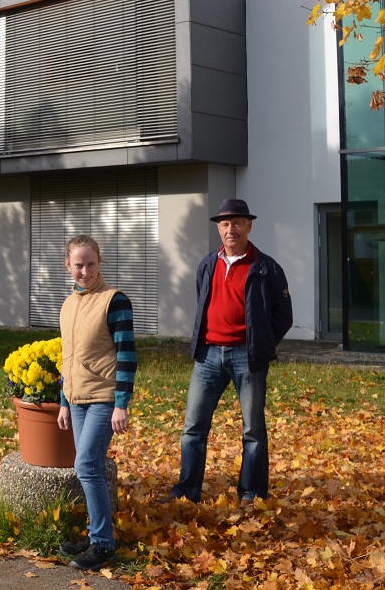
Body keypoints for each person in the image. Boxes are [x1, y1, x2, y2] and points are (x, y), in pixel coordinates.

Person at [161, 198, 292, 505]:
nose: (230, 229)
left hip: (247, 356)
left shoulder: (266, 268)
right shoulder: (208, 264)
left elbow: (283, 316)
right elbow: (202, 301)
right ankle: (187, 491)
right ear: (218, 229)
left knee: (253, 430)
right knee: (193, 428)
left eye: (236, 223)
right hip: (208, 356)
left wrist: (262, 344)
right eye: (224, 224)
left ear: (249, 226)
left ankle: (251, 492)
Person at [55, 235, 137, 570]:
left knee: (87, 464)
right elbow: (67, 357)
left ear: (99, 261)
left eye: (91, 264)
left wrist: (121, 403)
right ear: (68, 265)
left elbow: (127, 355)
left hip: (104, 397)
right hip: (76, 399)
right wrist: (63, 400)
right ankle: (94, 536)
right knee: (87, 467)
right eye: (78, 265)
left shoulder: (114, 300)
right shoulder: (69, 303)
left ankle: (103, 545)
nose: (85, 271)